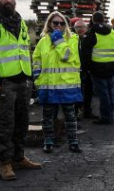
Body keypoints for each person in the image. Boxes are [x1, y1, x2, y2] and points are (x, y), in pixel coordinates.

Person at [0, 0, 42, 181]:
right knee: (4, 124)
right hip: (5, 82)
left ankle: (18, 157)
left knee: (22, 122)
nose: (8, 0)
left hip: (23, 80)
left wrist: (30, 79)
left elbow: (25, 50)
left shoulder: (20, 21)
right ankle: (4, 163)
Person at [34, 11, 82, 153]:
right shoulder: (43, 41)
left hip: (67, 84)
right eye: (55, 23)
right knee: (47, 116)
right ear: (49, 24)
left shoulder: (72, 39)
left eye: (62, 23)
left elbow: (67, 56)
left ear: (66, 25)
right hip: (48, 85)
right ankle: (48, 141)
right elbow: (36, 59)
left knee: (70, 115)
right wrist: (37, 78)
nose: (58, 26)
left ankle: (73, 141)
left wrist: (58, 40)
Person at [79, 12, 114, 124]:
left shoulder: (91, 33)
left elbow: (85, 55)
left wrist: (85, 70)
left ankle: (106, 118)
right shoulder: (112, 32)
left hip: (97, 68)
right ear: (103, 19)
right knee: (109, 92)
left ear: (93, 20)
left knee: (103, 94)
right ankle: (109, 115)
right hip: (111, 67)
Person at [72, 18, 96, 120]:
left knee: (88, 92)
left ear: (86, 27)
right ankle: (76, 113)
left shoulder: (91, 37)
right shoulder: (73, 39)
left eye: (81, 27)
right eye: (77, 27)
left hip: (88, 69)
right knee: (77, 92)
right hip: (76, 71)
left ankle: (87, 112)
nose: (79, 29)